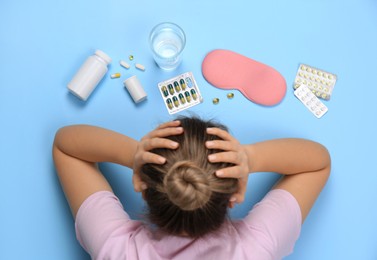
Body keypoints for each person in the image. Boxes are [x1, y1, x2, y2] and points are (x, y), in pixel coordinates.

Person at [52, 116, 331, 260]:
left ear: (139, 184)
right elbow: (317, 163)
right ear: (236, 196)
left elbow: (67, 147)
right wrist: (251, 158)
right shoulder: (256, 250)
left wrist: (134, 153)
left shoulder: (116, 250)